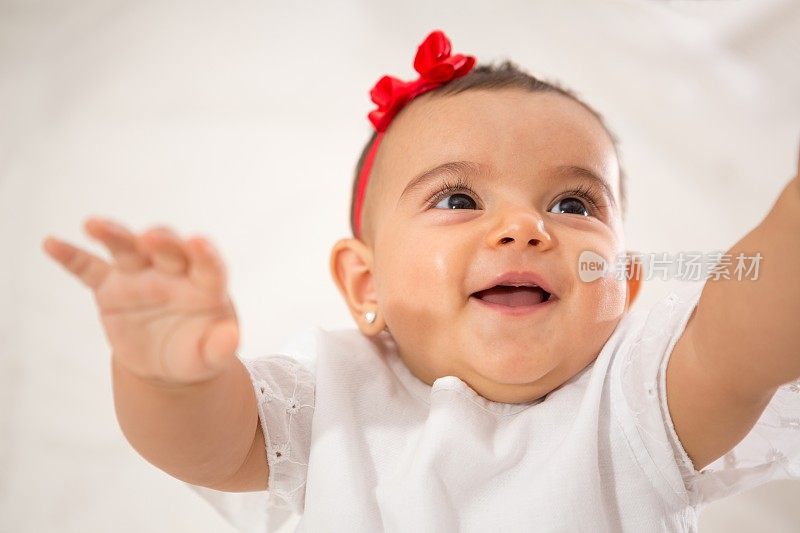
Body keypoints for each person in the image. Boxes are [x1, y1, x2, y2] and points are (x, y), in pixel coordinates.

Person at [41, 30, 800, 532]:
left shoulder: (637, 399)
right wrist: (170, 377)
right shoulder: (334, 401)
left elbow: (742, 333)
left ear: (625, 287)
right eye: (459, 199)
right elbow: (208, 444)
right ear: (363, 282)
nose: (525, 229)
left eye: (572, 203)